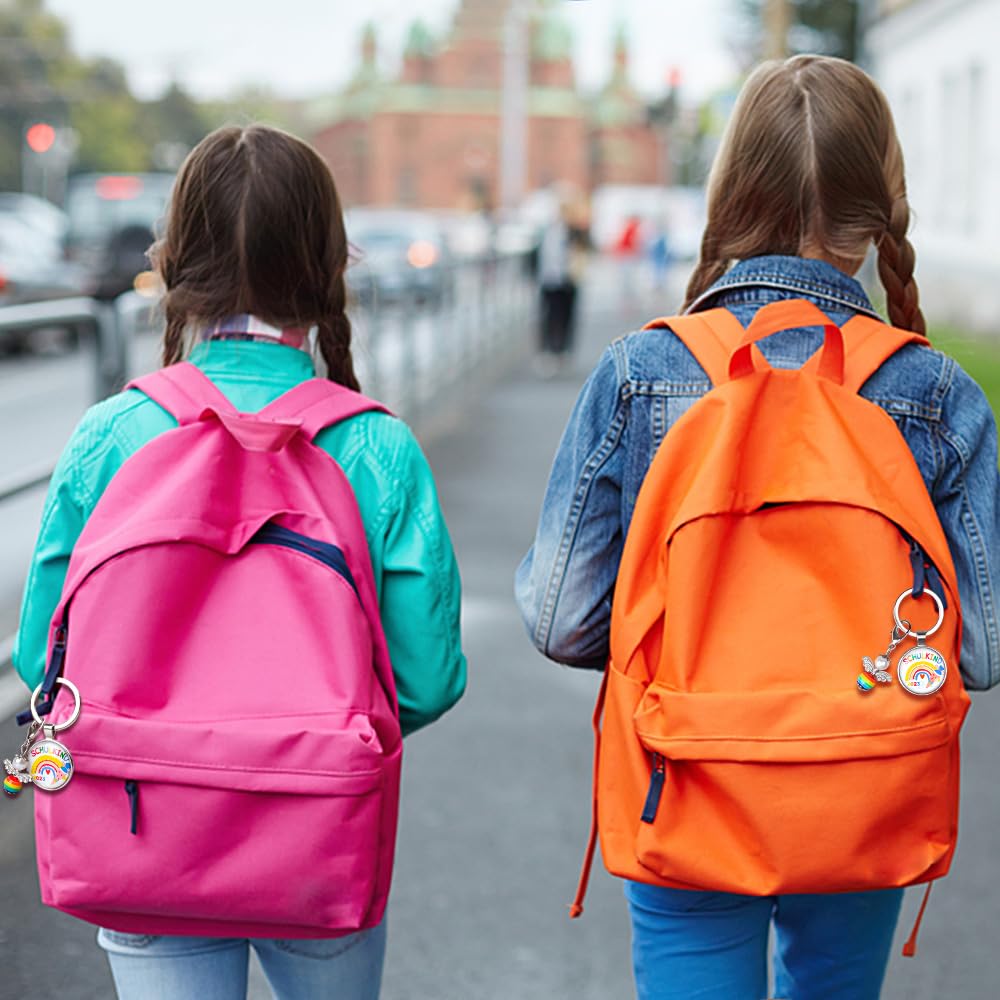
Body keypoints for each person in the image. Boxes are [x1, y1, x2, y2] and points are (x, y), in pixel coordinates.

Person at [515, 55, 1000, 1000]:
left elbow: (559, 619)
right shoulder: (938, 394)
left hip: (682, 775)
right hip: (864, 780)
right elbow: (980, 647)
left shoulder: (640, 371)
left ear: (731, 187)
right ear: (882, 204)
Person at [13, 124, 467, 1000]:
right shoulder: (374, 446)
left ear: (175, 257)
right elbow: (427, 678)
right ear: (329, 260)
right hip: (317, 831)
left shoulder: (112, 435)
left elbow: (43, 663)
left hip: (141, 831)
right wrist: (296, 748)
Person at [536, 197, 589, 373]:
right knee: (549, 316)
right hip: (550, 279)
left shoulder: (575, 231)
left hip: (568, 280)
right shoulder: (549, 229)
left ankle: (562, 351)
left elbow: (584, 249)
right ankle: (549, 351)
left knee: (566, 316)